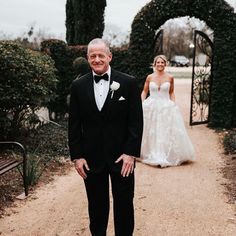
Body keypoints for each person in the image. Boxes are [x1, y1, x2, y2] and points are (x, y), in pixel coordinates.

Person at [68, 38, 143, 236]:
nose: (97, 59)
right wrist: (77, 156)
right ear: (88, 58)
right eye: (93, 56)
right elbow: (74, 125)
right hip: (91, 159)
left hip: (122, 157)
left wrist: (130, 153)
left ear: (109, 56)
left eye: (101, 55)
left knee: (124, 205)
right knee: (96, 206)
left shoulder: (128, 83)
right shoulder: (78, 86)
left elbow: (135, 122)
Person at [140, 54, 195, 167]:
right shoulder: (150, 77)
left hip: (166, 106)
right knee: (151, 129)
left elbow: (171, 92)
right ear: (154, 64)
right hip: (151, 105)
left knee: (165, 130)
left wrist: (173, 104)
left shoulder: (170, 77)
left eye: (162, 62)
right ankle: (149, 152)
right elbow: (145, 91)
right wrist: (141, 103)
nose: (160, 64)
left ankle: (166, 154)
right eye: (158, 62)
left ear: (165, 64)